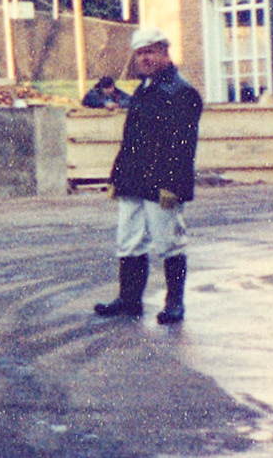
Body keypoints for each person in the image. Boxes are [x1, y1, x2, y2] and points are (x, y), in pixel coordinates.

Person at [93, 27, 203, 324]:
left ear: (165, 52)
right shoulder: (145, 89)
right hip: (133, 180)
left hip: (162, 183)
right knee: (128, 241)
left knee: (169, 242)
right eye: (140, 53)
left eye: (150, 52)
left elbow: (183, 148)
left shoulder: (182, 92)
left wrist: (174, 187)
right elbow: (130, 140)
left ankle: (175, 303)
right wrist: (117, 177)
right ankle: (129, 300)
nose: (144, 58)